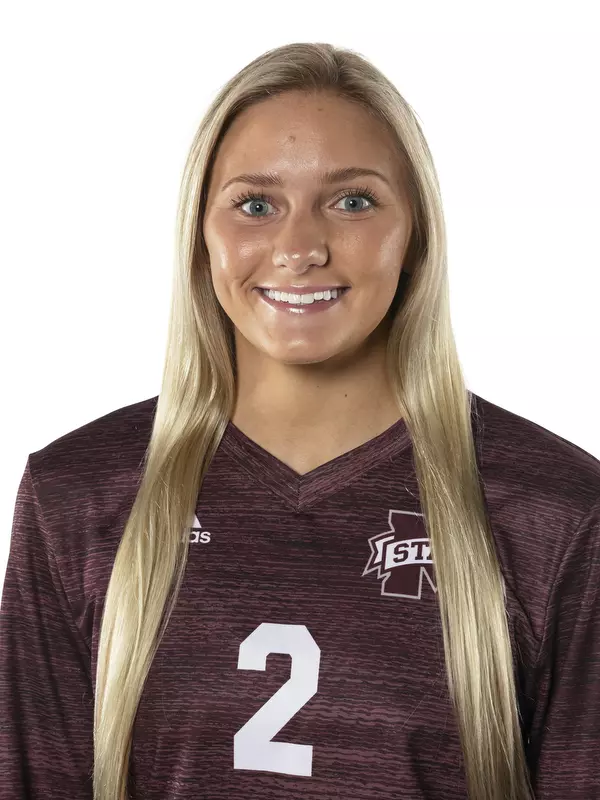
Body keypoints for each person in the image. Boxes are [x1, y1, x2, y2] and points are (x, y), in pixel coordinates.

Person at [0, 41, 598, 800]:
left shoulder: (558, 512)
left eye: (352, 201)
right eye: (256, 204)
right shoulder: (79, 497)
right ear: (200, 232)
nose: (299, 248)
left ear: (414, 233)